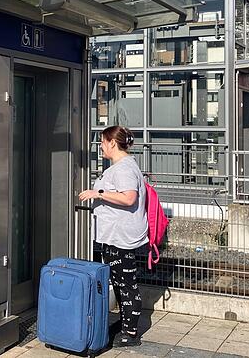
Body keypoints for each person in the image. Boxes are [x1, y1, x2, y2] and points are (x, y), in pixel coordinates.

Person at [78, 125, 147, 347]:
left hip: (121, 236)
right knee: (120, 282)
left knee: (126, 284)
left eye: (102, 142)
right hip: (115, 235)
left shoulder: (123, 168)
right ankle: (126, 325)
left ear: (112, 143)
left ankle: (131, 333)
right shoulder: (123, 166)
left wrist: (97, 193)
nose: (100, 147)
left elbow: (128, 198)